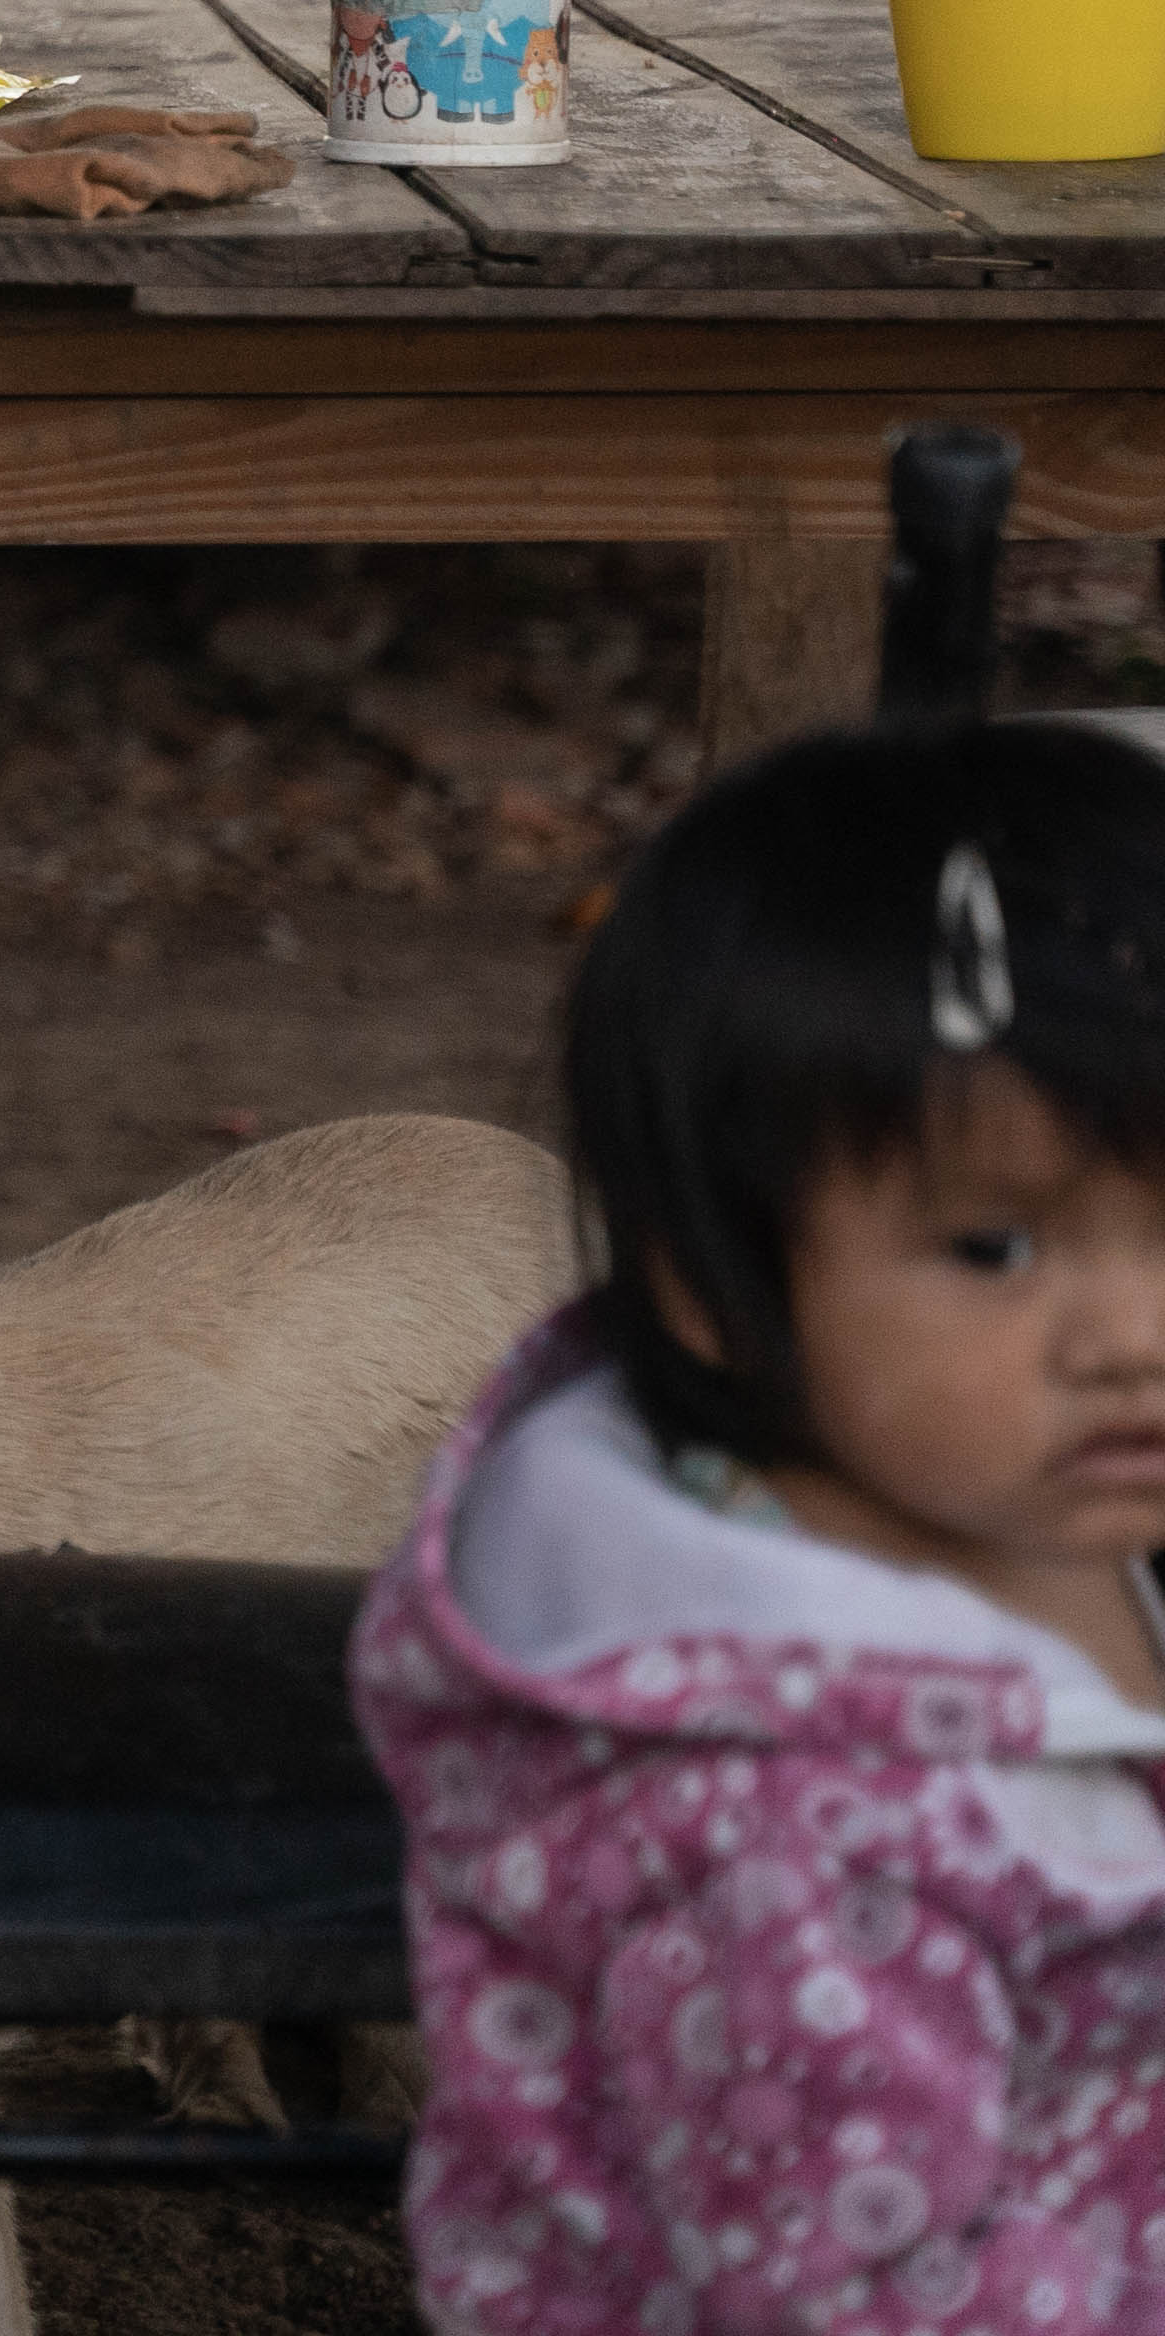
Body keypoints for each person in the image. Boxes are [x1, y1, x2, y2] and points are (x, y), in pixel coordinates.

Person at [356, 717, 1165, 2331]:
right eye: (999, 1249)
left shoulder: (1034, 1488)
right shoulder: (790, 1827)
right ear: (718, 1287)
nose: (1132, 1334)